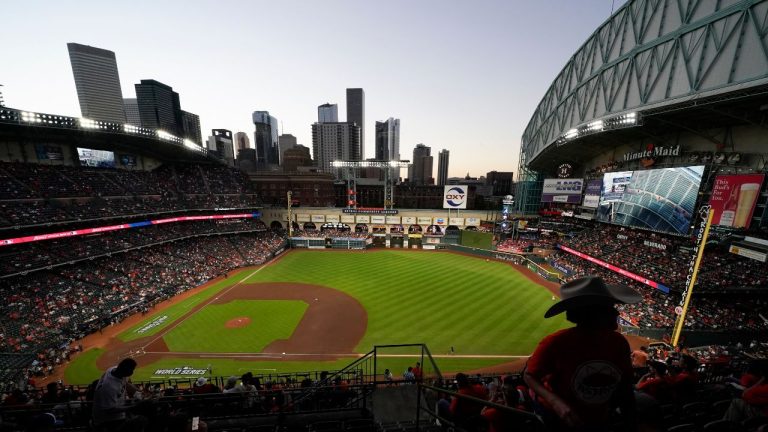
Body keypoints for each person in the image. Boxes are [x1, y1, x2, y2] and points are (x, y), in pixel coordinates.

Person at [524, 276, 640, 432]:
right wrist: (557, 403)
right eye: (609, 308)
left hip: (599, 418)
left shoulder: (619, 342)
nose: (616, 313)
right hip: (558, 419)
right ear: (591, 313)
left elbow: (625, 387)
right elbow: (529, 376)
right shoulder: (556, 342)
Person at [92, 358, 147, 431]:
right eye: (131, 370)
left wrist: (138, 393)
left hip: (117, 413)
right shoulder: (109, 387)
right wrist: (132, 407)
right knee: (140, 422)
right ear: (125, 371)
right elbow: (109, 410)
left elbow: (125, 383)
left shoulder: (115, 370)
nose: (132, 372)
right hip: (107, 421)